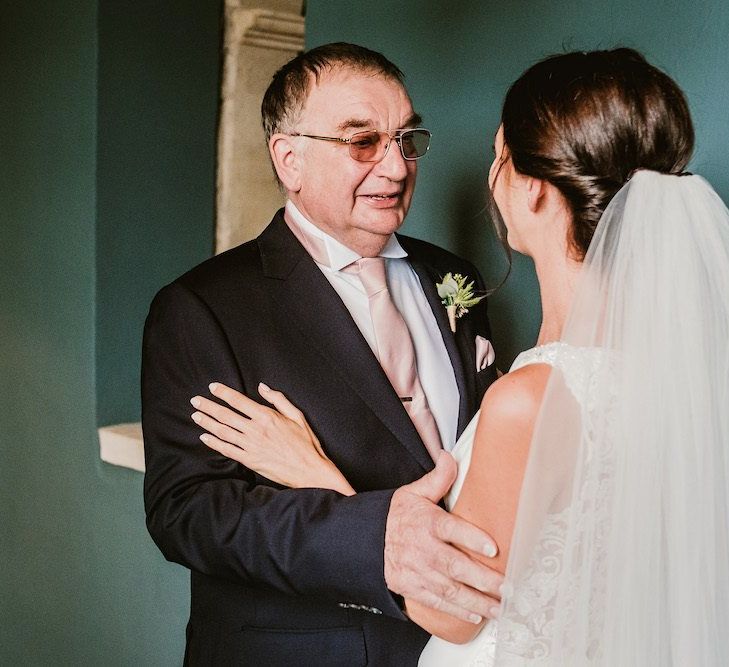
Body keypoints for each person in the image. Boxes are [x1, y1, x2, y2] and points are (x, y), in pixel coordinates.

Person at [193, 47, 729, 665]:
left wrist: (320, 479)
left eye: (498, 156)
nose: (396, 167)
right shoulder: (685, 379)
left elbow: (447, 610)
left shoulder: (526, 399)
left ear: (531, 191)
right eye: (362, 141)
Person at [142, 42, 503, 665]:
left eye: (406, 139)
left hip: (471, 641)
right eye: (362, 141)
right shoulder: (202, 307)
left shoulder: (455, 277)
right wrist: (371, 540)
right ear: (290, 160)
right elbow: (189, 511)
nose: (396, 168)